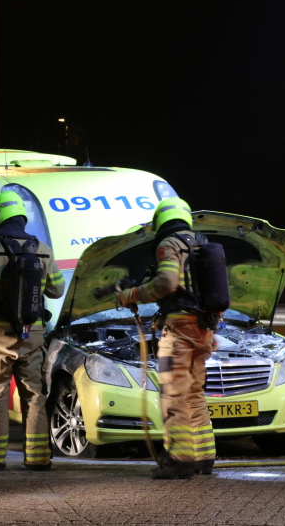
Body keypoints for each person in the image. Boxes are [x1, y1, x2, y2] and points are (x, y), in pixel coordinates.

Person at [0, 191, 65, 471]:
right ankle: (39, 457)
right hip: (31, 333)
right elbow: (57, 290)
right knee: (33, 394)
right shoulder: (41, 249)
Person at [117, 197, 217, 479]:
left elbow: (167, 283)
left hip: (180, 328)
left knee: (173, 393)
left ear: (160, 221)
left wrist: (132, 295)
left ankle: (181, 459)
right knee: (194, 393)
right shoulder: (201, 243)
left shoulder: (169, 244)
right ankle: (205, 455)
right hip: (205, 328)